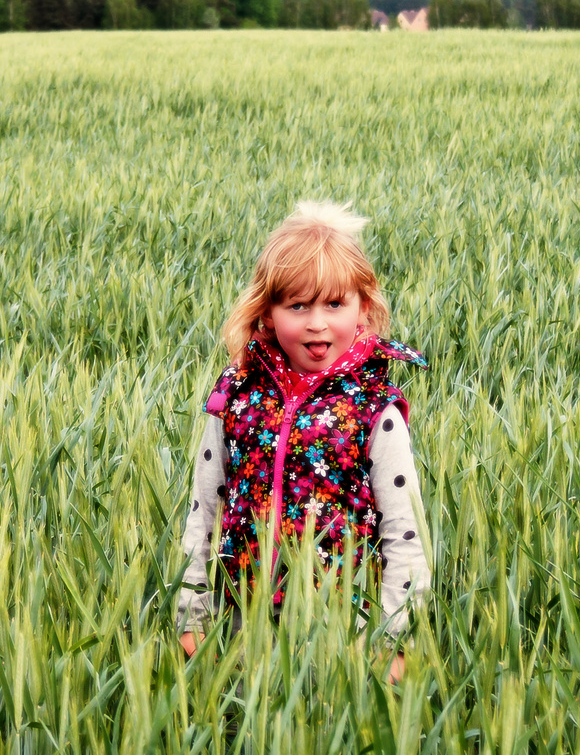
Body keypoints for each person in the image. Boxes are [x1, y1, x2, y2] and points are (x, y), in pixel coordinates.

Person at [176, 201, 431, 681]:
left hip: (344, 645)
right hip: (239, 640)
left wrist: (395, 642)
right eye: (298, 305)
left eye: (335, 304)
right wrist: (192, 616)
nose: (317, 322)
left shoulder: (376, 410)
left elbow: (406, 534)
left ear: (364, 308)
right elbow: (203, 512)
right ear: (268, 314)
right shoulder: (235, 394)